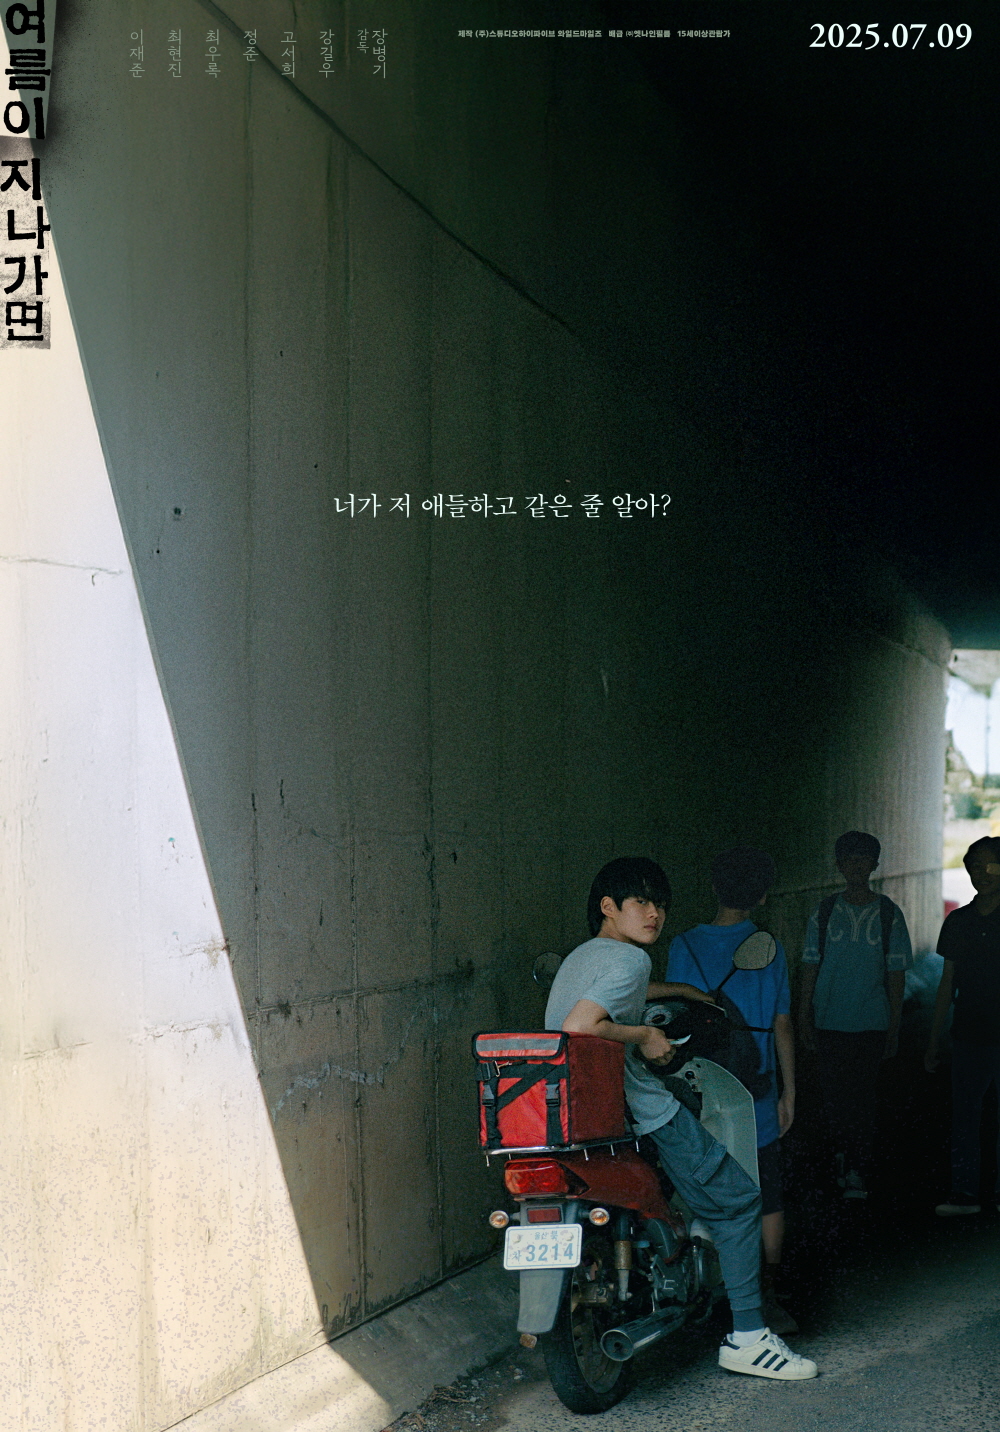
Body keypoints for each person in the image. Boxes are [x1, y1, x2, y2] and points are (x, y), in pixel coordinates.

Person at [545, 856, 817, 1381]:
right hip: (640, 1110)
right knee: (740, 1201)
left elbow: (612, 994)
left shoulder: (586, 955)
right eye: (641, 901)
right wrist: (647, 1035)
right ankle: (748, 1338)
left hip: (578, 1113)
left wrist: (679, 992)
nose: (655, 914)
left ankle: (692, 1233)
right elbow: (582, 1025)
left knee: (690, 1185)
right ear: (609, 907)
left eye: (661, 904)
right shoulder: (631, 960)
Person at [665, 847, 797, 1336]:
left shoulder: (682, 945)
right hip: (755, 1084)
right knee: (768, 1194)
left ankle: (707, 1286)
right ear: (762, 895)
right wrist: (790, 1092)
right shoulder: (768, 946)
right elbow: (782, 1023)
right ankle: (769, 1295)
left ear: (713, 887)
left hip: (700, 1085)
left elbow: (675, 1017)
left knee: (705, 1183)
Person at [798, 831, 913, 1201]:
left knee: (862, 1099)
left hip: (871, 1024)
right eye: (849, 859)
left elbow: (896, 975)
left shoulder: (889, 914)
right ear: (839, 865)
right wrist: (804, 1015)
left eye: (863, 859)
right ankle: (842, 1156)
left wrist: (894, 1027)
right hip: (829, 1021)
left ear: (875, 865)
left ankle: (857, 1167)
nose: (856, 866)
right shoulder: (824, 912)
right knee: (834, 1098)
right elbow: (809, 966)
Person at [925, 836, 1000, 1216]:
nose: (981, 874)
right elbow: (946, 983)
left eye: (990, 865)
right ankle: (964, 1194)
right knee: (965, 1118)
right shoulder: (958, 921)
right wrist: (933, 1041)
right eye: (974, 867)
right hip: (969, 1035)